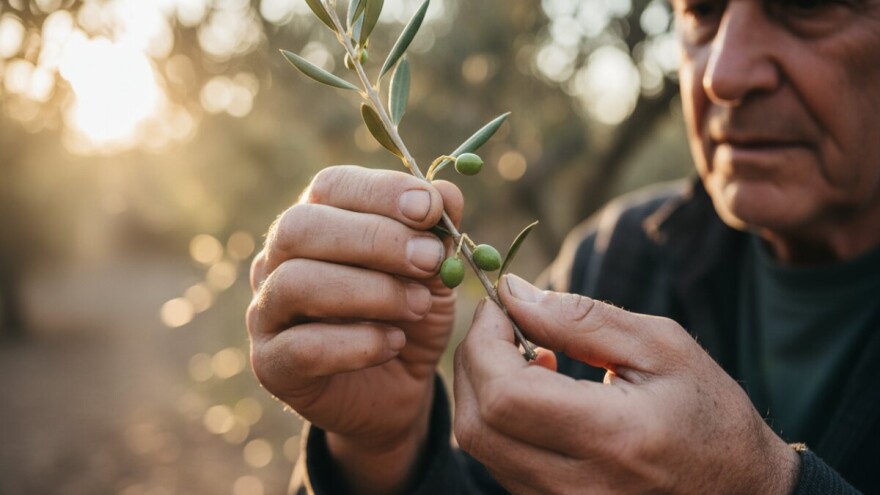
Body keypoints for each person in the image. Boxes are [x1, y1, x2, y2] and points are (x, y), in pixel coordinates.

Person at [246, 0, 880, 492]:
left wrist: (761, 486)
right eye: (702, 10)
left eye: (807, 5)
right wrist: (383, 450)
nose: (724, 73)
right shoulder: (616, 256)